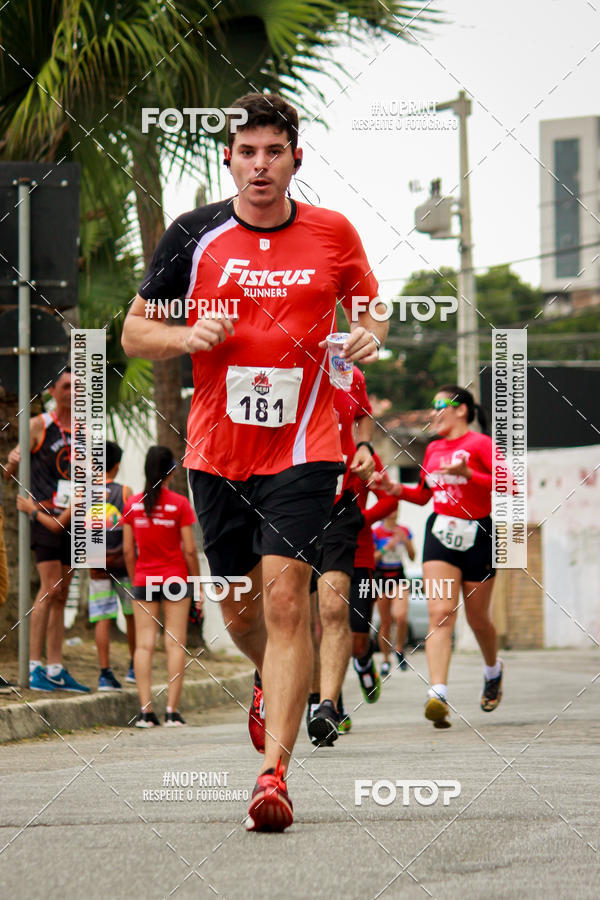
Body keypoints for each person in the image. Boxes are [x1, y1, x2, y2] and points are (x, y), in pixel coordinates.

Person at [121, 92, 387, 831]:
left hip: (305, 448)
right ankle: (272, 683)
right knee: (240, 609)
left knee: (285, 602)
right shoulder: (194, 235)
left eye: (275, 151)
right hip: (216, 453)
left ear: (296, 159)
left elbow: (369, 304)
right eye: (248, 152)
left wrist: (367, 333)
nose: (261, 164)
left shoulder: (333, 232)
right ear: (229, 159)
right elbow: (133, 332)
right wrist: (186, 337)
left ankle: (273, 777)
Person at [377, 385, 504, 729]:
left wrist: (470, 475)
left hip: (479, 532)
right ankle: (438, 694)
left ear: (462, 409)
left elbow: (511, 484)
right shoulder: (432, 449)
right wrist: (394, 490)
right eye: (431, 405)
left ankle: (493, 670)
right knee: (441, 612)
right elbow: (422, 496)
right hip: (441, 533)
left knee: (478, 620)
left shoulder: (481, 445)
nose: (434, 412)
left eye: (440, 405)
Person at [6, 368, 89, 693]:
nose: (73, 391)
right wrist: (12, 461)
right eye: (67, 386)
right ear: (52, 391)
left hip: (72, 518)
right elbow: (8, 474)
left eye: (77, 387)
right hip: (43, 517)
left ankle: (55, 667)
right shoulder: (38, 425)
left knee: (62, 594)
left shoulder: (83, 430)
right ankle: (34, 665)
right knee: (49, 588)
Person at [306, 365, 375, 747]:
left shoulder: (349, 371)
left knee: (333, 610)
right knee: (296, 614)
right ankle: (311, 695)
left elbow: (364, 415)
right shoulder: (283, 362)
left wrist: (363, 445)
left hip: (340, 505)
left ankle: (328, 707)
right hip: (290, 506)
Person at [122, 446, 199, 728]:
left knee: (144, 645)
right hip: (176, 580)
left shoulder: (132, 504)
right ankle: (171, 712)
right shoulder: (180, 504)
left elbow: (129, 552)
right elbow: (190, 551)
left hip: (143, 579)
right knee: (175, 643)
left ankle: (145, 713)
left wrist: (135, 579)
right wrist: (196, 584)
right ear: (171, 472)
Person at [87, 441, 136, 690]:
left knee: (102, 618)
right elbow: (133, 529)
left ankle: (105, 673)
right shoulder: (126, 491)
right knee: (132, 616)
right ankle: (134, 667)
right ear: (116, 466)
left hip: (97, 567)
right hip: (124, 566)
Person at [373, 510, 415, 675]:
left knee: (401, 616)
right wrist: (386, 548)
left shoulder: (404, 530)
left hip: (399, 576)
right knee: (386, 622)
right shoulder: (376, 532)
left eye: (396, 509)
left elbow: (412, 556)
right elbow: (372, 558)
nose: (394, 513)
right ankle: (385, 659)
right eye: (390, 509)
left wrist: (405, 541)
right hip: (381, 578)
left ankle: (399, 649)